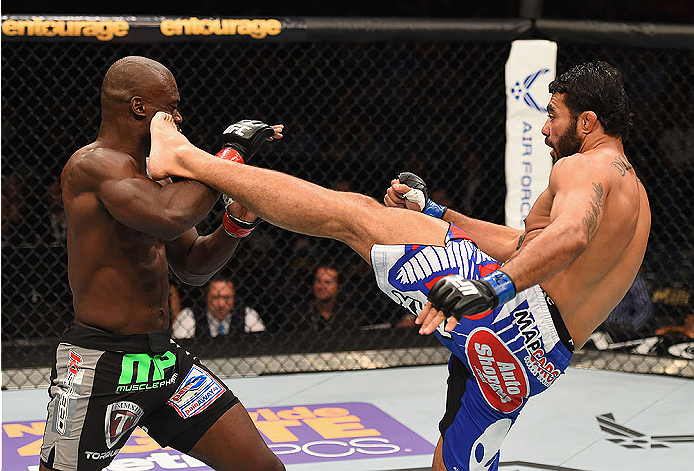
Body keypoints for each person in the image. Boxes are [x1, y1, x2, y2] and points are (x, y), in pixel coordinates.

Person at [146, 60, 650, 471]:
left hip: (509, 315)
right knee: (454, 463)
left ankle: (187, 159)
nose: (545, 127)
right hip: (536, 359)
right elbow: (528, 244)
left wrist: (494, 287)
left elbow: (568, 235)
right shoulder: (637, 196)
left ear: (587, 122)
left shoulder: (583, 166)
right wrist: (436, 214)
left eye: (554, 115)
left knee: (355, 215)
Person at [39, 56, 285, 471]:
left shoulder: (158, 176)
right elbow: (169, 217)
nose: (178, 115)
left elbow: (192, 265)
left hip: (164, 364)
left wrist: (235, 224)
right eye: (170, 105)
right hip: (102, 361)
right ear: (139, 107)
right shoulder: (92, 165)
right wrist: (231, 155)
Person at [196, 276, 265, 336]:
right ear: (206, 298)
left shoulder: (247, 314)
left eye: (227, 298)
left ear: (234, 298)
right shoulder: (192, 315)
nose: (221, 304)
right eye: (215, 297)